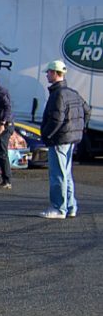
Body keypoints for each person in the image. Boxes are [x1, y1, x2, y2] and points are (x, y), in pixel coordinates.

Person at [39, 59, 89, 218]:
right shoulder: (73, 93)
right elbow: (86, 111)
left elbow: (56, 120)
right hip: (70, 139)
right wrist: (78, 128)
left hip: (59, 140)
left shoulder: (57, 95)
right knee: (66, 174)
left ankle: (58, 208)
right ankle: (70, 206)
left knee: (57, 175)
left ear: (55, 73)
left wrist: (46, 135)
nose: (47, 75)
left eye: (48, 72)